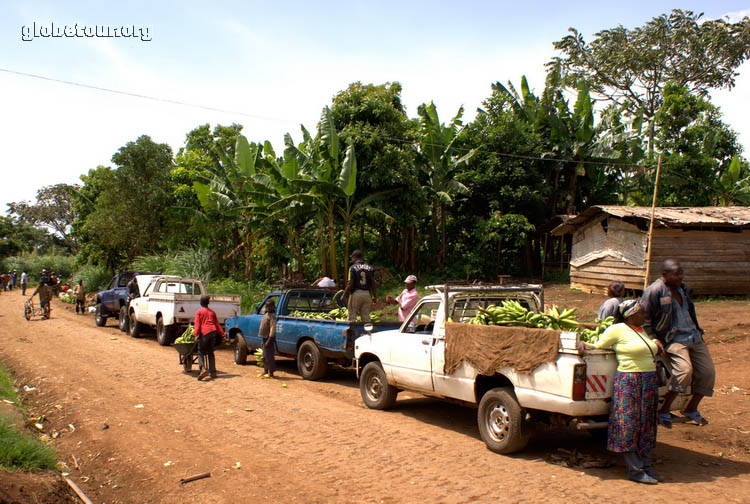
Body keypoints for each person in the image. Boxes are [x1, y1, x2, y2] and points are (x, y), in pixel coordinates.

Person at [578, 299, 662, 484]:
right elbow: (600, 345)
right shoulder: (617, 330)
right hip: (629, 381)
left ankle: (647, 466)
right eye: (641, 312)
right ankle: (635, 470)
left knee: (646, 425)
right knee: (629, 425)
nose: (645, 315)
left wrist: (655, 342)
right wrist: (584, 344)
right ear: (630, 315)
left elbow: (647, 349)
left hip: (648, 381)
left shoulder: (642, 331)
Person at [641, 259, 715, 428]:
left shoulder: (683, 289)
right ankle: (664, 409)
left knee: (708, 373)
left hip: (693, 336)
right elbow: (644, 319)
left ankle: (691, 409)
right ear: (664, 275)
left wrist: (698, 331)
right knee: (684, 371)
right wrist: (653, 338)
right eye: (676, 274)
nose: (680, 276)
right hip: (673, 339)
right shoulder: (655, 291)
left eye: (681, 273)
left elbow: (689, 313)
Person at [193, 295, 226, 381]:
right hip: (213, 333)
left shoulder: (199, 312)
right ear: (208, 303)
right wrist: (222, 335)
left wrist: (196, 335)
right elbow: (217, 325)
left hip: (205, 333)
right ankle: (213, 372)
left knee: (201, 351)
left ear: (201, 302)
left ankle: (202, 369)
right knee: (210, 352)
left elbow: (197, 325)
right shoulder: (212, 312)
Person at [343, 250, 376, 323]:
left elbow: (350, 283)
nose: (352, 260)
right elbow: (373, 283)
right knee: (366, 317)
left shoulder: (352, 268)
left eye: (352, 258)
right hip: (367, 294)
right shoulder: (370, 268)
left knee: (352, 316)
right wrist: (374, 296)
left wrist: (344, 295)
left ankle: (353, 333)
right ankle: (368, 332)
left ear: (354, 257)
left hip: (356, 294)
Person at [258, 299, 278, 378]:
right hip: (264, 337)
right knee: (264, 356)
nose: (268, 308)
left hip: (269, 338)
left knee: (269, 356)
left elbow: (272, 329)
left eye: (270, 306)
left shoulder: (272, 316)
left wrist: (269, 340)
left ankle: (271, 372)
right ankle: (265, 370)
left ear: (273, 307)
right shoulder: (266, 314)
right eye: (267, 306)